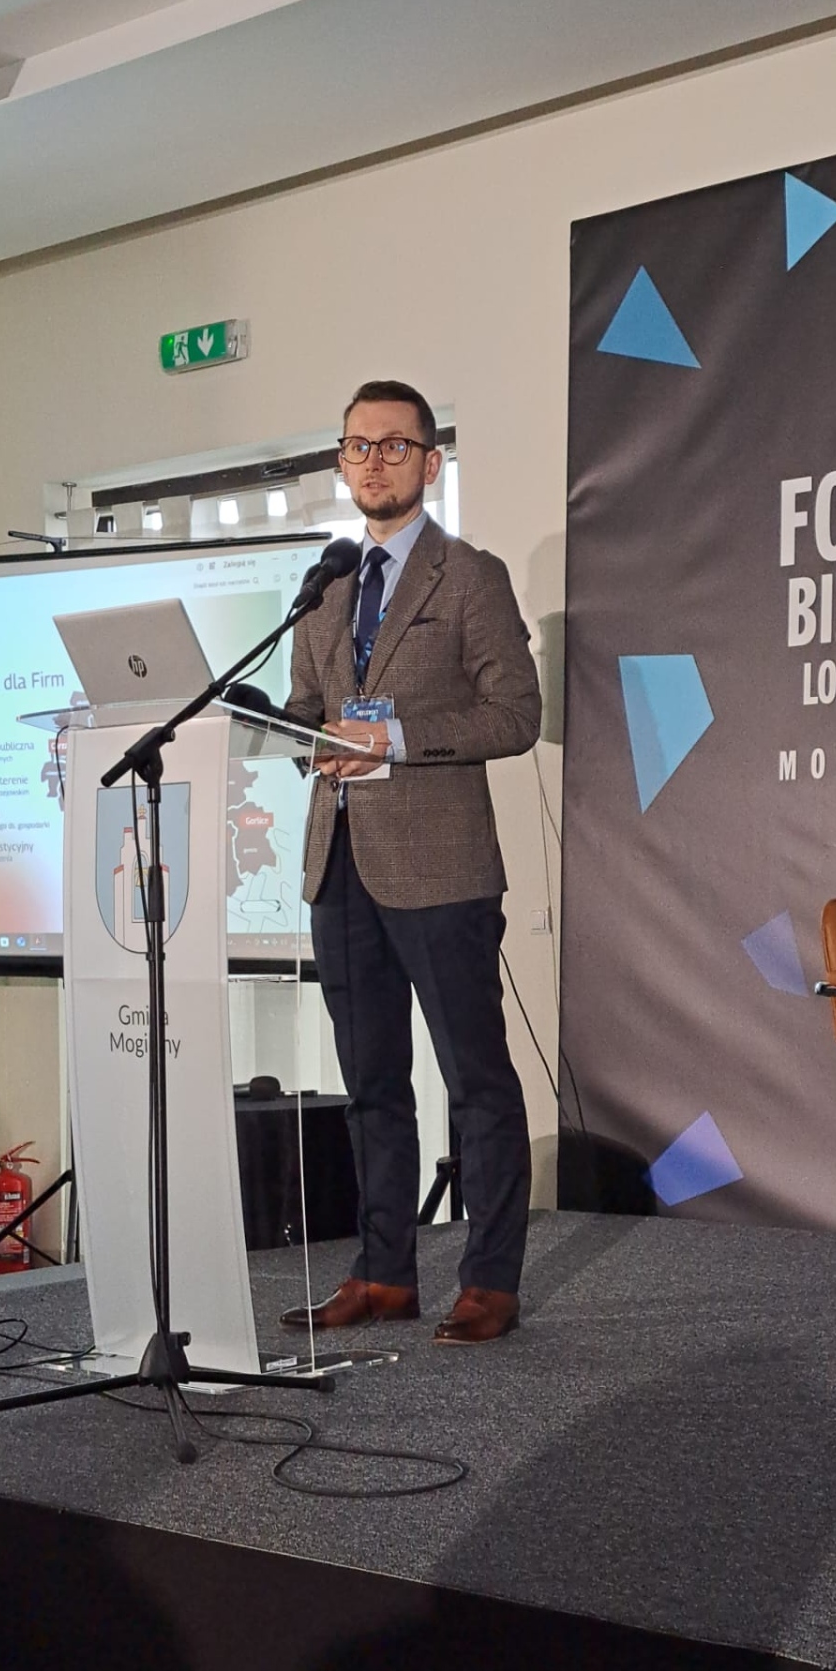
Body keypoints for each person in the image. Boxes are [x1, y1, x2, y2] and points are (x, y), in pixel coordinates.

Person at [279, 380, 541, 1344]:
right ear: (341, 463)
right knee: (372, 1084)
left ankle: (489, 1282)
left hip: (440, 868)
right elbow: (304, 711)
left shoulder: (469, 576)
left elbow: (516, 715)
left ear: (431, 463)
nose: (374, 461)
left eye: (395, 445)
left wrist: (392, 740)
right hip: (339, 860)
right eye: (358, 446)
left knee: (476, 1081)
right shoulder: (325, 585)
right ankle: (384, 1273)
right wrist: (302, 739)